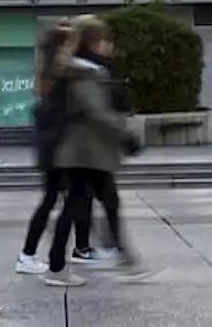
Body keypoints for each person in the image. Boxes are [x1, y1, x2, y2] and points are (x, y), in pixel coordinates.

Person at [42, 15, 155, 287]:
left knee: (99, 203)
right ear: (94, 41)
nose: (108, 45)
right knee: (80, 206)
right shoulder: (85, 71)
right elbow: (97, 111)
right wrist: (125, 133)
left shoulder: (79, 69)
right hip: (85, 152)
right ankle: (64, 265)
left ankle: (119, 257)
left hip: (88, 150)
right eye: (105, 39)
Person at [15, 23, 95, 275]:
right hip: (58, 150)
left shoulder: (49, 72)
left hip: (51, 149)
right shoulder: (61, 72)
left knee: (54, 201)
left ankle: (33, 254)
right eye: (71, 42)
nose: (74, 47)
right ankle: (51, 258)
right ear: (62, 45)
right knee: (67, 200)